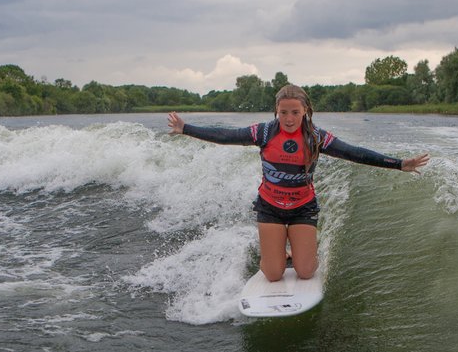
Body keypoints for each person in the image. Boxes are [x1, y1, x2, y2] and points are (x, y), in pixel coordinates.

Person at [167, 84, 430, 283]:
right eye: (283, 113)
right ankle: (277, 253)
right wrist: (186, 128)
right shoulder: (264, 132)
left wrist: (398, 164)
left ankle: (299, 249)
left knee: (305, 272)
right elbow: (226, 135)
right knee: (273, 274)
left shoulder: (316, 137)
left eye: (295, 112)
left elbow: (354, 152)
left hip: (303, 208)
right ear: (277, 111)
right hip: (270, 207)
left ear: (305, 111)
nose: (289, 118)